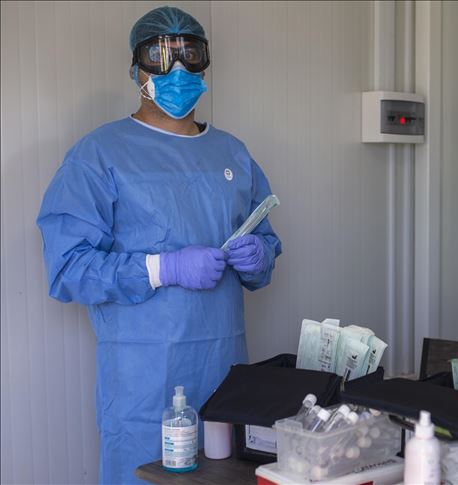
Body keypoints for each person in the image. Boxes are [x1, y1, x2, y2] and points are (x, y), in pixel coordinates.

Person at [37, 6, 282, 484]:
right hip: (143, 383)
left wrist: (259, 256)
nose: (178, 69)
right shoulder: (99, 154)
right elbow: (68, 268)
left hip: (226, 371)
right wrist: (162, 268)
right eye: (160, 55)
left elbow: (266, 244)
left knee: (225, 472)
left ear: (205, 63)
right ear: (137, 68)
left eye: (191, 53)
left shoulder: (232, 153)